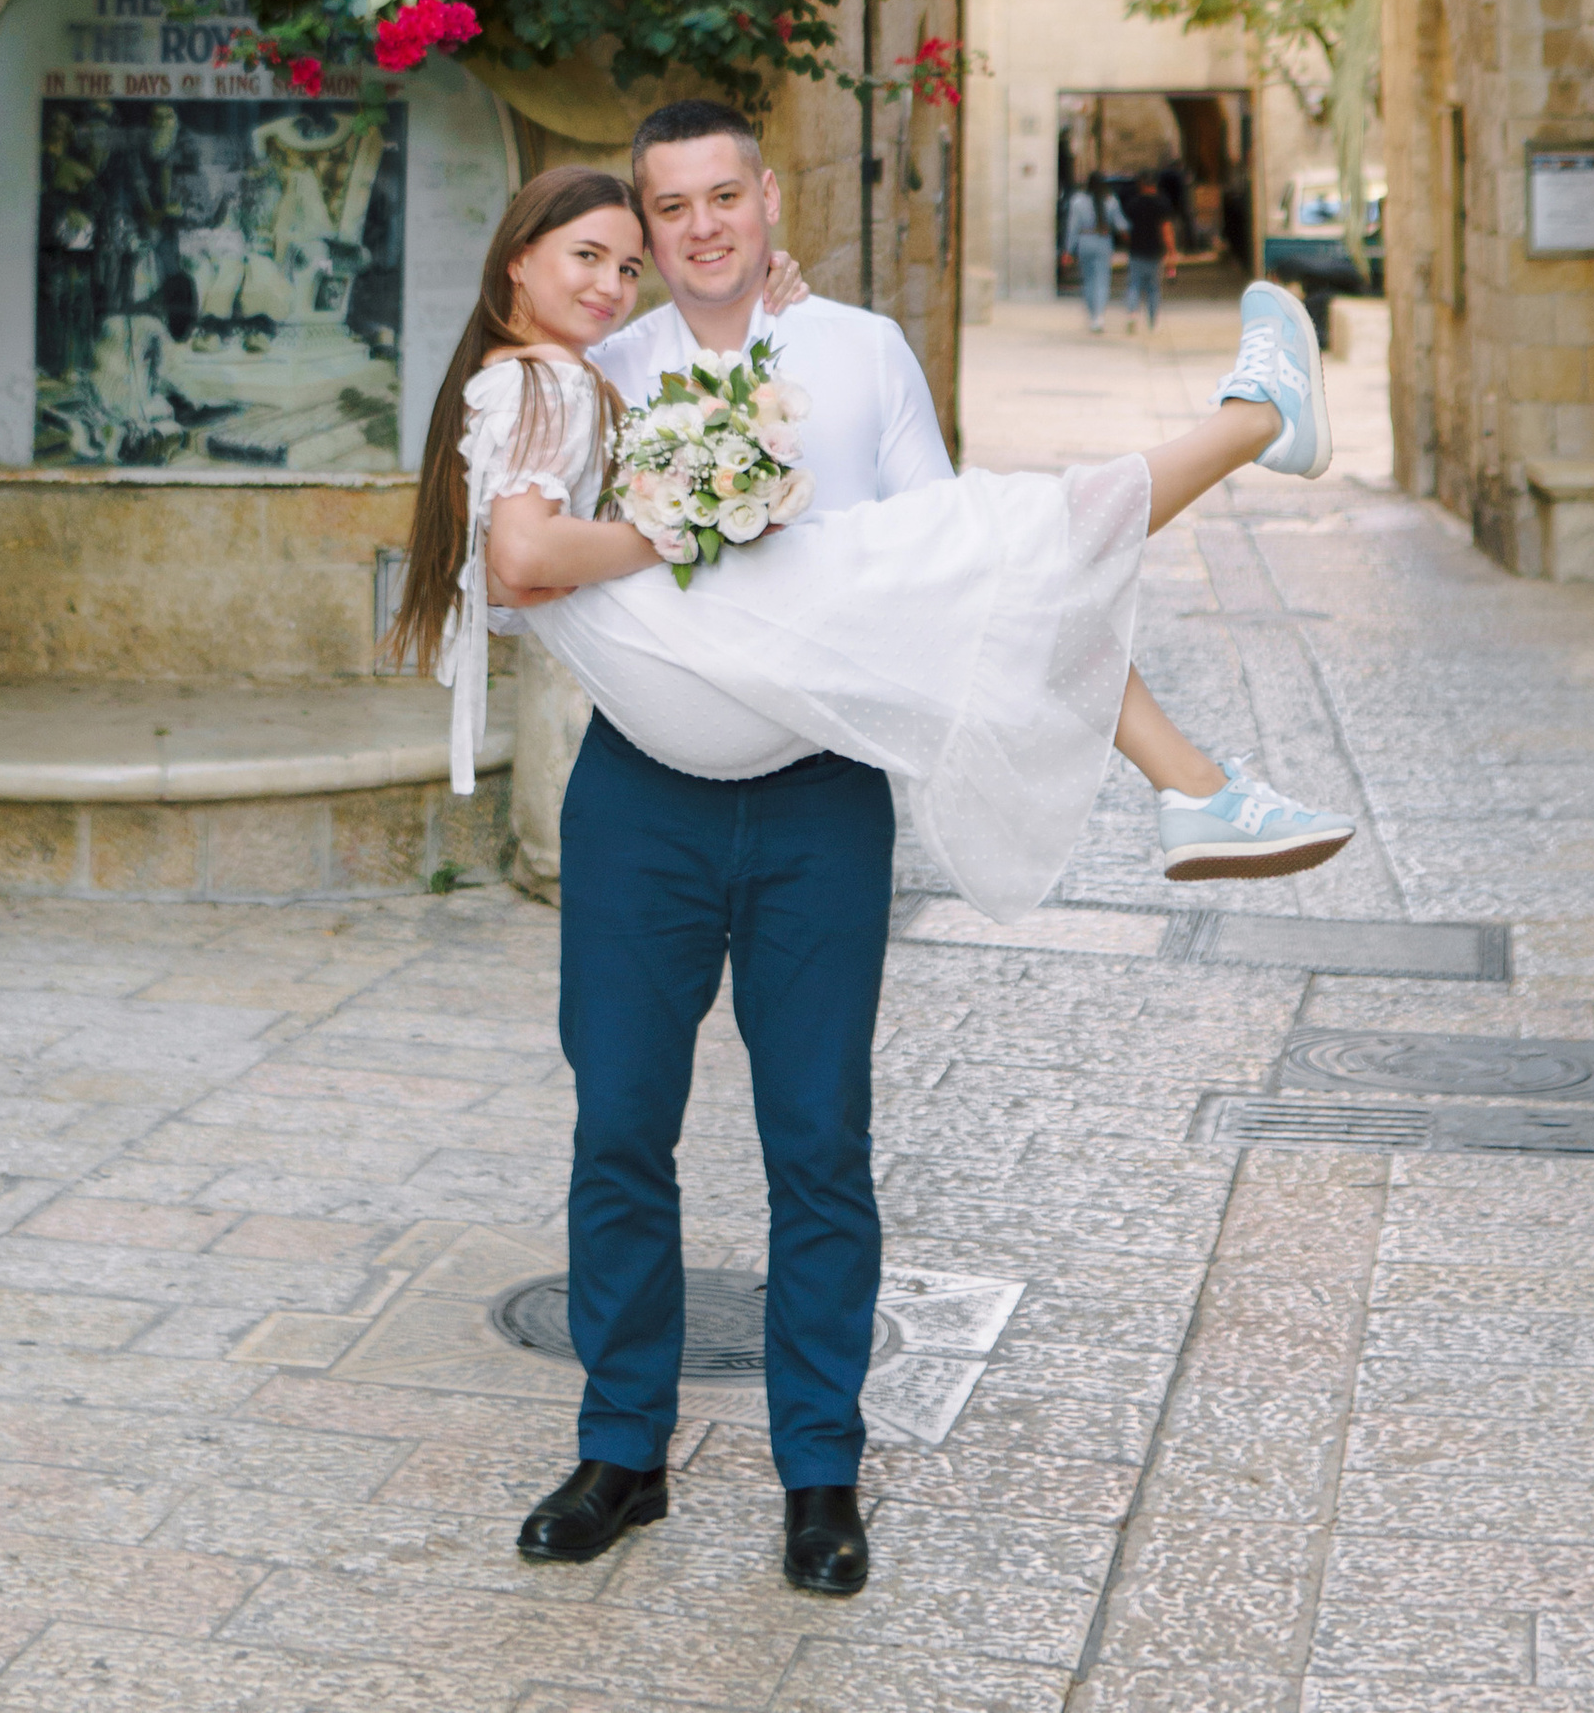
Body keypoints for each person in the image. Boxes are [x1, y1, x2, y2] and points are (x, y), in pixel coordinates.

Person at [388, 108, 1351, 1598]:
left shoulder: (859, 349)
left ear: (770, 202)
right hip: (642, 806)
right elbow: (525, 542)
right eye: (661, 214)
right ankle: (620, 1450)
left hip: (819, 804)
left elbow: (961, 587)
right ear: (618, 241)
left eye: (723, 199)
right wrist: (681, 515)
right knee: (618, 1133)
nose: (693, 233)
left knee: (820, 1144)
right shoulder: (601, 358)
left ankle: (819, 1473)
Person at [1114, 167, 1177, 331]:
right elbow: (1166, 230)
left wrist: (1129, 241)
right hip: (1155, 252)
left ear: (1141, 185)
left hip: (1136, 251)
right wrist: (1171, 250)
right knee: (1153, 288)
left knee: (1134, 284)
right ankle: (1153, 321)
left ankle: (1132, 314)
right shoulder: (1162, 204)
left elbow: (1125, 229)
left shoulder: (1133, 204)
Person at [1059, 170, 1120, 328]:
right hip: (1103, 240)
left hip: (1085, 240)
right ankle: (1099, 315)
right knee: (1102, 279)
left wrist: (1068, 250)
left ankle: (1093, 314)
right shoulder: (1110, 200)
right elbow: (1120, 224)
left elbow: (1072, 227)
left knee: (1088, 280)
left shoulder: (1078, 201)